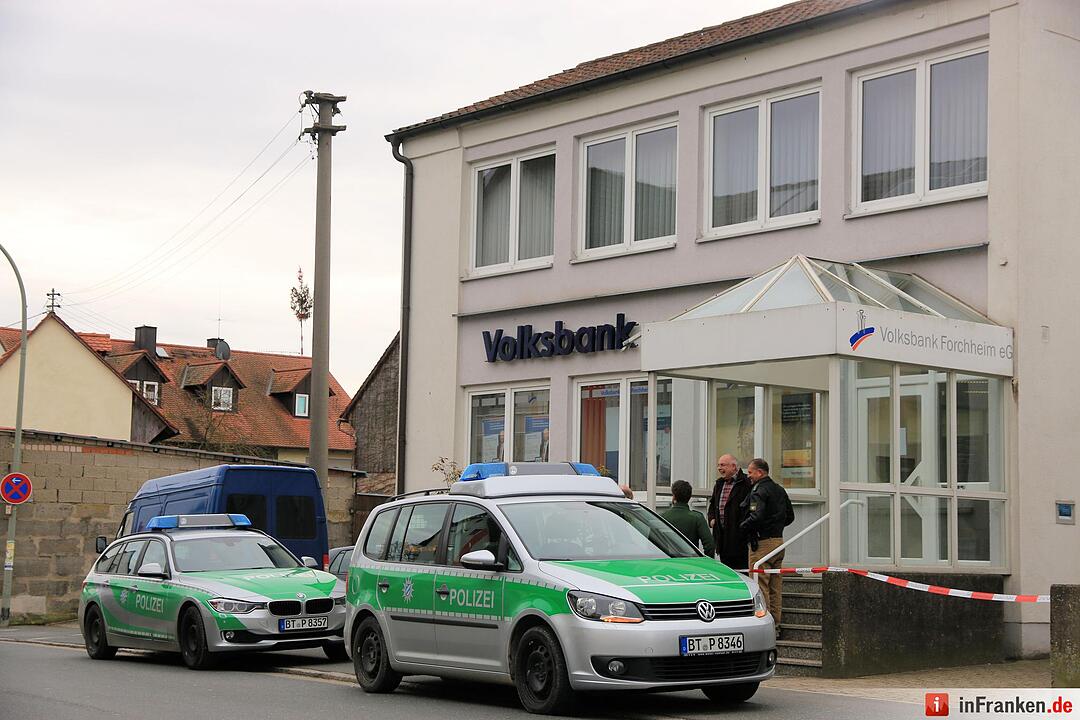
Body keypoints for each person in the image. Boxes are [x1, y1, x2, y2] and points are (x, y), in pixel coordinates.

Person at [739, 458, 794, 637]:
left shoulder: (759, 490)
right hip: (778, 542)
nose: (748, 476)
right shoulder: (779, 489)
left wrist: (742, 528)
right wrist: (775, 527)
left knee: (760, 586)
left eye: (751, 472)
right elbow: (790, 516)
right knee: (776, 587)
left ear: (760, 473)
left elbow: (756, 516)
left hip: (762, 544)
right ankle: (776, 626)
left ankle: (766, 626)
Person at [707, 453, 751, 570]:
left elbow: (751, 507)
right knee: (727, 570)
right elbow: (712, 505)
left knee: (742, 571)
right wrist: (711, 519)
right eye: (718, 465)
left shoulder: (746, 483)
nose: (719, 468)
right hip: (722, 538)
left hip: (740, 539)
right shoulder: (719, 484)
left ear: (733, 466)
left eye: (723, 465)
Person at [660, 480, 715, 556]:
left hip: (669, 562)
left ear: (674, 496)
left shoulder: (662, 517)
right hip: (692, 562)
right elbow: (710, 545)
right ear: (689, 497)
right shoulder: (697, 517)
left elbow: (652, 541)